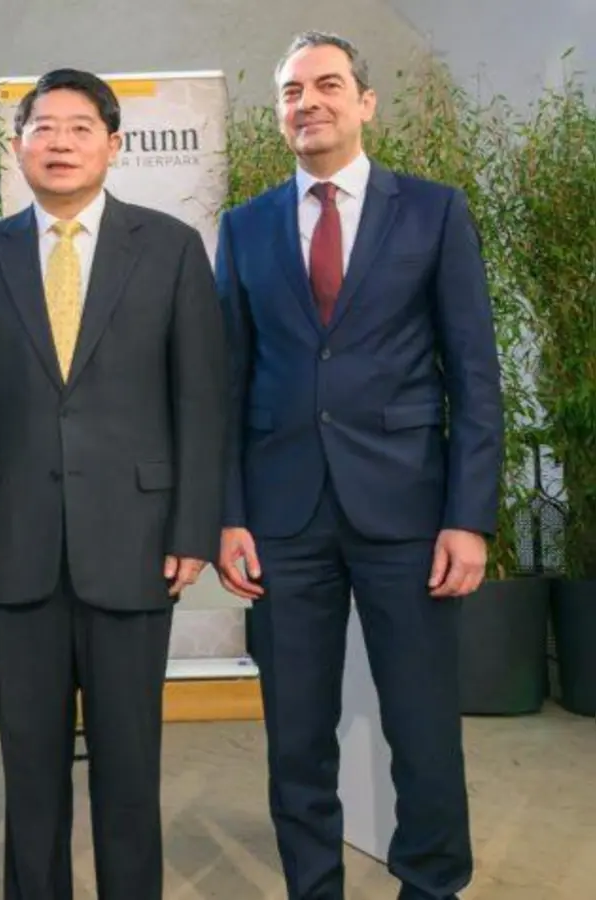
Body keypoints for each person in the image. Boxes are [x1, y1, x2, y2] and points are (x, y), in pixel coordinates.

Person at [215, 31, 504, 900]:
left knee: (422, 726)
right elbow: (226, 382)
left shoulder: (434, 212)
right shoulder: (245, 225)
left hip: (409, 513)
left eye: (327, 85)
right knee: (296, 733)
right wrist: (229, 514)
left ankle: (432, 884)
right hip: (282, 517)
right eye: (291, 91)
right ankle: (314, 888)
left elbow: (474, 374)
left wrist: (469, 518)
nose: (308, 102)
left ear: (365, 103)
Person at [0, 68, 227, 899]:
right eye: (43, 128)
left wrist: (193, 528)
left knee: (131, 764)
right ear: (17, 144)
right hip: (14, 540)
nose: (60, 143)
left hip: (137, 540)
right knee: (28, 764)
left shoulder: (170, 248)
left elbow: (201, 400)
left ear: (113, 144)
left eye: (80, 128)